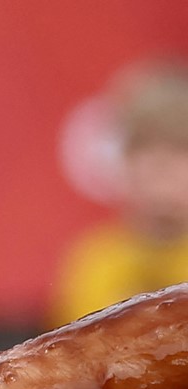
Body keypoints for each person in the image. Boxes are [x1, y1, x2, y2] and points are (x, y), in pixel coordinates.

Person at [51, 61, 188, 328]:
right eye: (145, 149)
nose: (161, 166)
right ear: (122, 161)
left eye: (179, 149)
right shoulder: (95, 262)